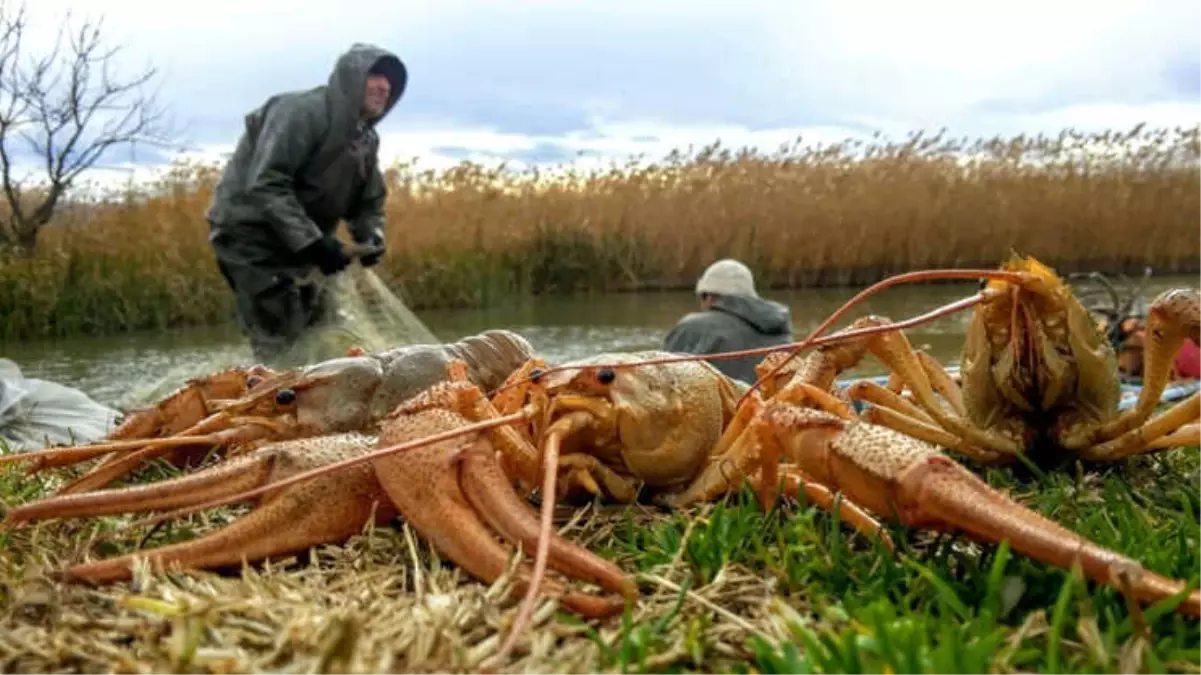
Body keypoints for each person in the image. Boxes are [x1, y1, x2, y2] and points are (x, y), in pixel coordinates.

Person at [204, 43, 408, 364]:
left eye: (391, 81)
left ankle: (313, 400)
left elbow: (369, 201)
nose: (384, 86)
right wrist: (314, 243)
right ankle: (273, 402)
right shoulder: (301, 112)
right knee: (282, 336)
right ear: (351, 78)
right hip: (251, 241)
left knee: (324, 332)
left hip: (304, 247)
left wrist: (372, 236)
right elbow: (267, 183)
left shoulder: (365, 139)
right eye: (375, 76)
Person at [663, 258, 794, 384]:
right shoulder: (780, 329)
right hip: (769, 406)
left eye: (702, 297)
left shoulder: (692, 327)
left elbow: (663, 380)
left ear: (709, 296)